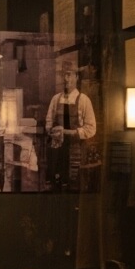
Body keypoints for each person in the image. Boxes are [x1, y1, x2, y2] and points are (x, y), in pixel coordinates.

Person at [43, 62, 96, 191]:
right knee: (56, 186)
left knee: (73, 186)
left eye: (69, 75)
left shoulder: (84, 100)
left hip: (75, 152)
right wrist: (52, 131)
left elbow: (91, 129)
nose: (65, 79)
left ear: (76, 77)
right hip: (57, 152)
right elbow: (48, 122)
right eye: (63, 75)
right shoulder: (56, 99)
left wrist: (66, 132)